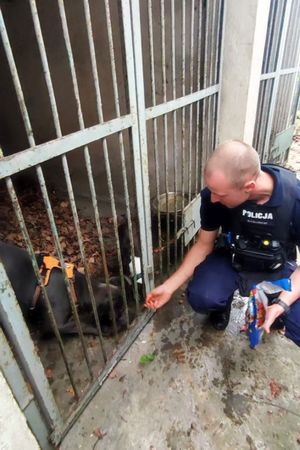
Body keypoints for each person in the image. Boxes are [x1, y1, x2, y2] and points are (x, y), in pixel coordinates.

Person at [145, 140, 300, 347]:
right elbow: (203, 244)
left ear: (249, 187)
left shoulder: (295, 201)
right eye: (212, 191)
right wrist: (169, 286)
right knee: (202, 296)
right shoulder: (213, 196)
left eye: (221, 194)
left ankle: (271, 311)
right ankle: (227, 308)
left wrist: (282, 303)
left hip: (277, 265)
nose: (214, 199)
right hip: (233, 257)